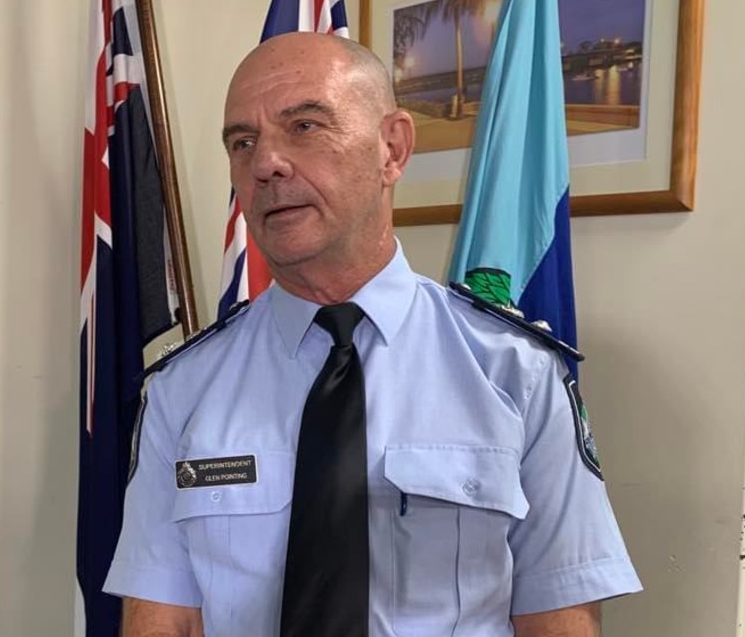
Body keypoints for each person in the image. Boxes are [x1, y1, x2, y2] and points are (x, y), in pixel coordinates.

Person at [103, 32, 641, 637]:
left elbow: (558, 614)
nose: (264, 164)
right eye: (242, 142)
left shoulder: (514, 371)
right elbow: (160, 617)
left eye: (304, 126)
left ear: (392, 149)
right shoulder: (184, 387)